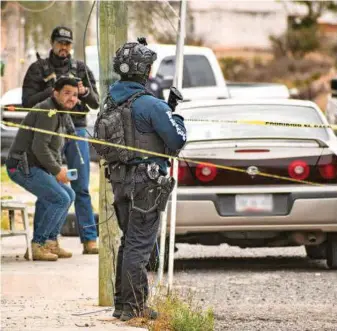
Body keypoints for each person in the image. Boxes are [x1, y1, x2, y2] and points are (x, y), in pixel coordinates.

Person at [96, 38, 187, 321]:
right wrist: (176, 116)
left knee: (129, 242)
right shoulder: (150, 105)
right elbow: (177, 139)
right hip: (146, 183)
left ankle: (123, 306)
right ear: (145, 71)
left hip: (120, 181)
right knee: (139, 245)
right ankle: (136, 308)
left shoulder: (109, 103)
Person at [21, 26, 100, 254]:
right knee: (48, 186)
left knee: (81, 186)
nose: (63, 47)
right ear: (52, 43)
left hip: (77, 130)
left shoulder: (81, 69)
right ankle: (46, 241)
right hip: (49, 132)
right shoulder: (38, 69)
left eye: (67, 43)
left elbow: (95, 102)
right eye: (59, 43)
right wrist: (56, 91)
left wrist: (82, 92)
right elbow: (27, 101)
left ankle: (89, 238)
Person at [6, 76, 79, 261]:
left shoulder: (60, 111)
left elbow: (52, 147)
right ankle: (38, 244)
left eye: (75, 95)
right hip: (22, 167)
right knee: (60, 198)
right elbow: (40, 147)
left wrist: (56, 170)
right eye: (67, 93)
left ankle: (50, 242)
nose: (72, 98)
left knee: (69, 195)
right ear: (56, 93)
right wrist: (57, 171)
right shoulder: (48, 111)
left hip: (37, 167)